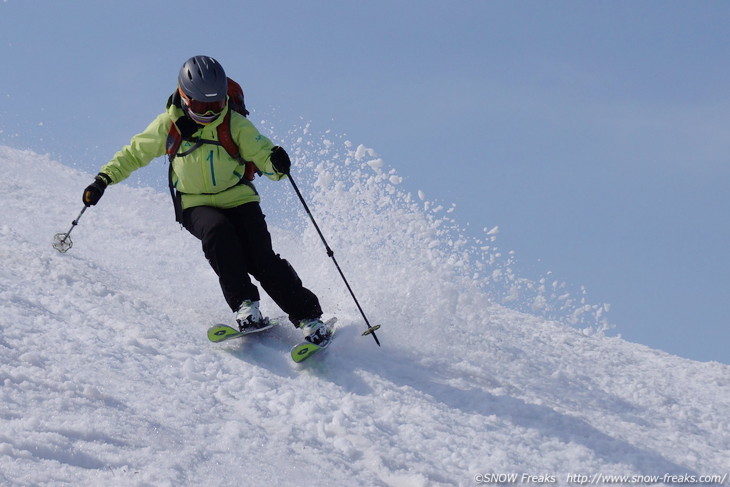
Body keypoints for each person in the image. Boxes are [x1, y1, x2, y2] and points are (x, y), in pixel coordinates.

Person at [82, 55, 331, 345]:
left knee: (262, 259)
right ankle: (245, 306)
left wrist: (276, 163)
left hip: (239, 198)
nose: (211, 112)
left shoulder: (235, 124)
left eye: (216, 105)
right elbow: (134, 152)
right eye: (202, 106)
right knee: (218, 236)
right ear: (186, 98)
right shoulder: (168, 125)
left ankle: (309, 318)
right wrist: (103, 179)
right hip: (195, 203)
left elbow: (261, 152)